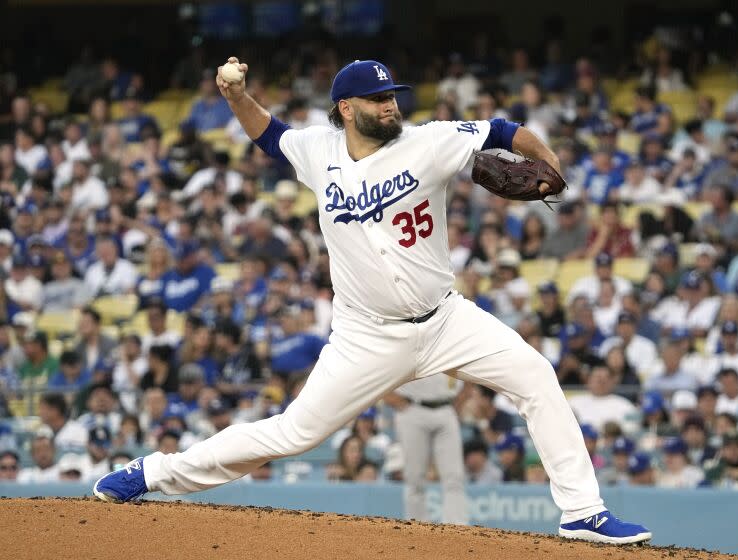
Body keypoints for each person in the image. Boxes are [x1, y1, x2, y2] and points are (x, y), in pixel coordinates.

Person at [94, 57, 651, 544]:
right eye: (378, 99)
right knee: (293, 434)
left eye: (393, 97)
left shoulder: (429, 141)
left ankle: (583, 512)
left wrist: (551, 162)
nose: (390, 106)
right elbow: (268, 134)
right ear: (345, 107)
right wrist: (237, 95)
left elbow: (506, 130)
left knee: (536, 376)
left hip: (446, 319)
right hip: (366, 334)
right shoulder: (318, 149)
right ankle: (154, 473)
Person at [385, 374, 466, 524]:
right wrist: (391, 397)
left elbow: (469, 368)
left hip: (446, 407)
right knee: (415, 477)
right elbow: (382, 367)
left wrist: (461, 400)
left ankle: (457, 529)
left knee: (454, 476)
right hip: (412, 407)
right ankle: (417, 529)